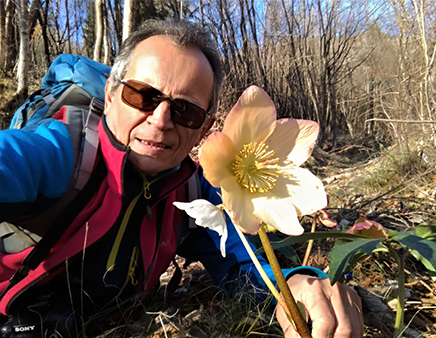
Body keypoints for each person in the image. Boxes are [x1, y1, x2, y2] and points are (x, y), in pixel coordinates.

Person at [0, 19, 363, 337]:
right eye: (141, 95)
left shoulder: (194, 192)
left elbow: (243, 266)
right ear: (110, 96)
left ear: (204, 128)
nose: (159, 120)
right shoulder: (60, 153)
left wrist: (295, 284)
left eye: (185, 110)